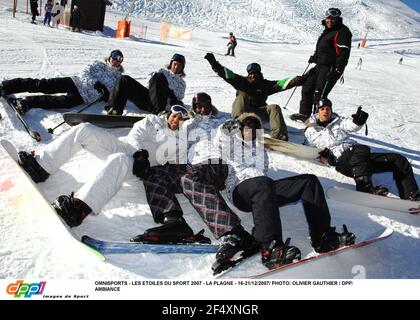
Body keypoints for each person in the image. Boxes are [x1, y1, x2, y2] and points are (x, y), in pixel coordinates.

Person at [212, 112, 356, 270]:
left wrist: (320, 154)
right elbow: (220, 140)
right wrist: (226, 128)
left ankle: (323, 237)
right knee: (262, 183)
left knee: (309, 182)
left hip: (263, 189)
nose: (250, 130)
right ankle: (270, 248)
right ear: (239, 128)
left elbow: (286, 153)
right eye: (247, 126)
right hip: (240, 190)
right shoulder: (231, 143)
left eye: (255, 127)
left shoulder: (259, 147)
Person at [15, 105, 191, 228]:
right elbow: (137, 132)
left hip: (138, 168)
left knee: (120, 159)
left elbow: (178, 166)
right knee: (84, 129)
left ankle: (79, 208)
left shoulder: (179, 142)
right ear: (169, 114)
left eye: (181, 119)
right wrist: (139, 153)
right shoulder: (153, 120)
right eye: (174, 115)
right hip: (126, 148)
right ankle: (41, 166)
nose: (176, 120)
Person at [133, 94, 250, 246]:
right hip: (191, 167)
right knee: (154, 172)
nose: (203, 109)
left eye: (206, 106)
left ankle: (234, 232)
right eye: (199, 106)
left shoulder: (220, 122)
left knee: (192, 177)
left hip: (215, 163)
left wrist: (234, 127)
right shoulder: (186, 124)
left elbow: (236, 136)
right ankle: (174, 222)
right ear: (193, 108)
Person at [305, 98, 420, 202]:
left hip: (359, 159)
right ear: (317, 111)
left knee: (399, 160)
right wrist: (326, 157)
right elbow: (308, 150)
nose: (325, 111)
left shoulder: (338, 122)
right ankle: (364, 187)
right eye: (322, 109)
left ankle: (412, 196)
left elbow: (350, 125)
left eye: (328, 109)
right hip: (342, 161)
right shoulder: (311, 130)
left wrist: (358, 121)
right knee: (360, 149)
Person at [204, 52, 303, 141]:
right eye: (251, 73)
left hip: (258, 115)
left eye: (255, 73)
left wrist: (297, 80)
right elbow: (227, 74)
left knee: (274, 107)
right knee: (242, 96)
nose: (253, 75)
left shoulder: (265, 85)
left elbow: (281, 84)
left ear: (259, 73)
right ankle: (236, 123)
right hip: (243, 114)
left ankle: (279, 135)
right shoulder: (242, 82)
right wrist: (214, 64)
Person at [0, 50, 124, 114]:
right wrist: (96, 84)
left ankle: (26, 102)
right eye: (114, 58)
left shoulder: (117, 78)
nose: (116, 61)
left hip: (84, 97)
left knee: (59, 102)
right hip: (75, 82)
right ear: (109, 57)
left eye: (119, 60)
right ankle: (7, 86)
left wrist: (107, 96)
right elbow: (84, 73)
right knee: (44, 85)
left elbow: (114, 93)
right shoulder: (98, 64)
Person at [290, 8, 352, 122]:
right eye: (328, 18)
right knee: (307, 87)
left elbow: (343, 53)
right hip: (319, 66)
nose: (330, 21)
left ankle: (319, 120)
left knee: (320, 94)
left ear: (337, 19)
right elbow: (325, 48)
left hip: (330, 68)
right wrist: (315, 57)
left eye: (333, 19)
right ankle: (305, 115)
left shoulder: (342, 31)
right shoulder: (328, 31)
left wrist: (338, 70)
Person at [105, 53, 186, 116]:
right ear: (171, 64)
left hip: (163, 105)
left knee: (160, 78)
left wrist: (168, 92)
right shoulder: (162, 71)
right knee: (124, 79)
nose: (176, 67)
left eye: (179, 65)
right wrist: (157, 80)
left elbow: (177, 99)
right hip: (149, 98)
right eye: (175, 64)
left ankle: (160, 111)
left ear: (182, 68)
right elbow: (149, 81)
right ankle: (115, 110)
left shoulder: (181, 83)